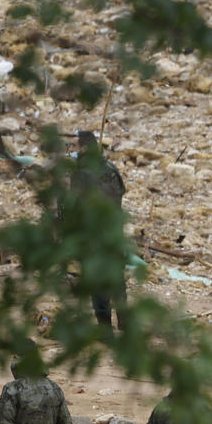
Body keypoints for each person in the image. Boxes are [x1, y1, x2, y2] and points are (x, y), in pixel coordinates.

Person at [59, 129, 127, 331]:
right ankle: (125, 323)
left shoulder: (82, 174)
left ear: (85, 148)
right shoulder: (110, 168)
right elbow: (120, 194)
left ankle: (105, 329)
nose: (71, 150)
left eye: (74, 147)